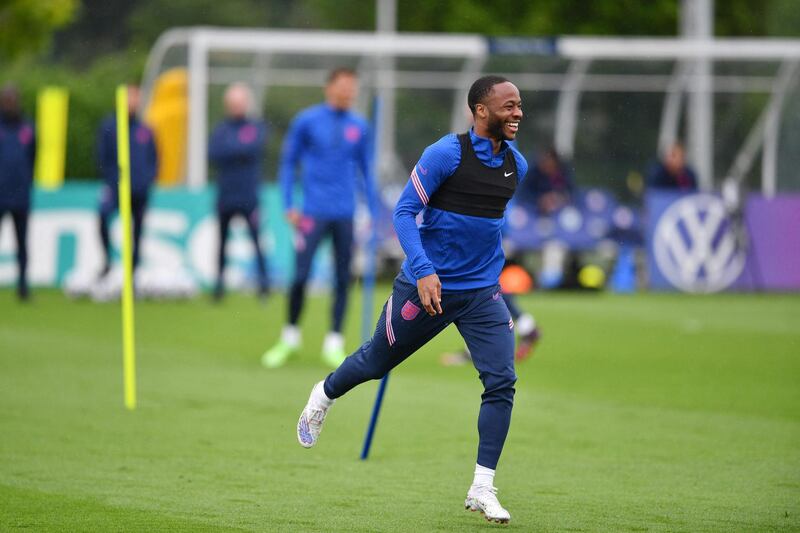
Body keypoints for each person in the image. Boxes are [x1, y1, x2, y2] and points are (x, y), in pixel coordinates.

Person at [296, 75, 526, 524]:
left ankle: (482, 487)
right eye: (509, 106)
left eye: (520, 106)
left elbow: (486, 227)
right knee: (373, 364)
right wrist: (423, 271)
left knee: (501, 382)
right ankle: (322, 394)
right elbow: (404, 212)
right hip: (426, 289)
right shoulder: (445, 154)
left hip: (481, 294)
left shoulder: (516, 164)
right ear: (480, 111)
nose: (518, 113)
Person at [261, 68, 377, 369]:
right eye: (342, 87)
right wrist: (288, 203)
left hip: (345, 213)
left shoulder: (360, 126)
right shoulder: (307, 121)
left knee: (342, 278)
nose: (347, 93)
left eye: (352, 88)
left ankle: (334, 342)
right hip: (311, 212)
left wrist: (372, 210)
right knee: (300, 276)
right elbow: (288, 164)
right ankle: (290, 337)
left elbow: (367, 171)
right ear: (329, 88)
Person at [209, 83, 269, 300]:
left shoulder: (255, 126)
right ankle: (219, 285)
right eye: (233, 103)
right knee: (222, 242)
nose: (236, 106)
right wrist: (237, 150)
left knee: (256, 240)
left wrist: (232, 150)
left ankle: (264, 284)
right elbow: (215, 153)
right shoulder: (221, 129)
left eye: (240, 102)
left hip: (248, 195)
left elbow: (254, 148)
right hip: (226, 194)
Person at [96, 85, 158, 275]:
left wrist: (146, 181)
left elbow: (154, 159)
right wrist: (113, 181)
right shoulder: (109, 127)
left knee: (137, 231)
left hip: (139, 191)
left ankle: (133, 270)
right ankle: (107, 260)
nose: (133, 103)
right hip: (115, 188)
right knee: (103, 217)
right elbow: (101, 158)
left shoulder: (145, 130)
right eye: (130, 98)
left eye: (136, 99)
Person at [0, 84, 35, 301]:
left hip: (21, 195)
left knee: (22, 243)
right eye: (7, 99)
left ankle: (23, 285)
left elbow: (33, 156)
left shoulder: (28, 127)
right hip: (0, 194)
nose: (10, 104)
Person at [516, 147, 574, 215]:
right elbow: (523, 193)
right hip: (534, 212)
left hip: (560, 213)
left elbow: (572, 192)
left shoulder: (563, 173)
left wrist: (560, 198)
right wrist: (540, 200)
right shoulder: (534, 173)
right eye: (544, 164)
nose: (547, 167)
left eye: (550, 165)